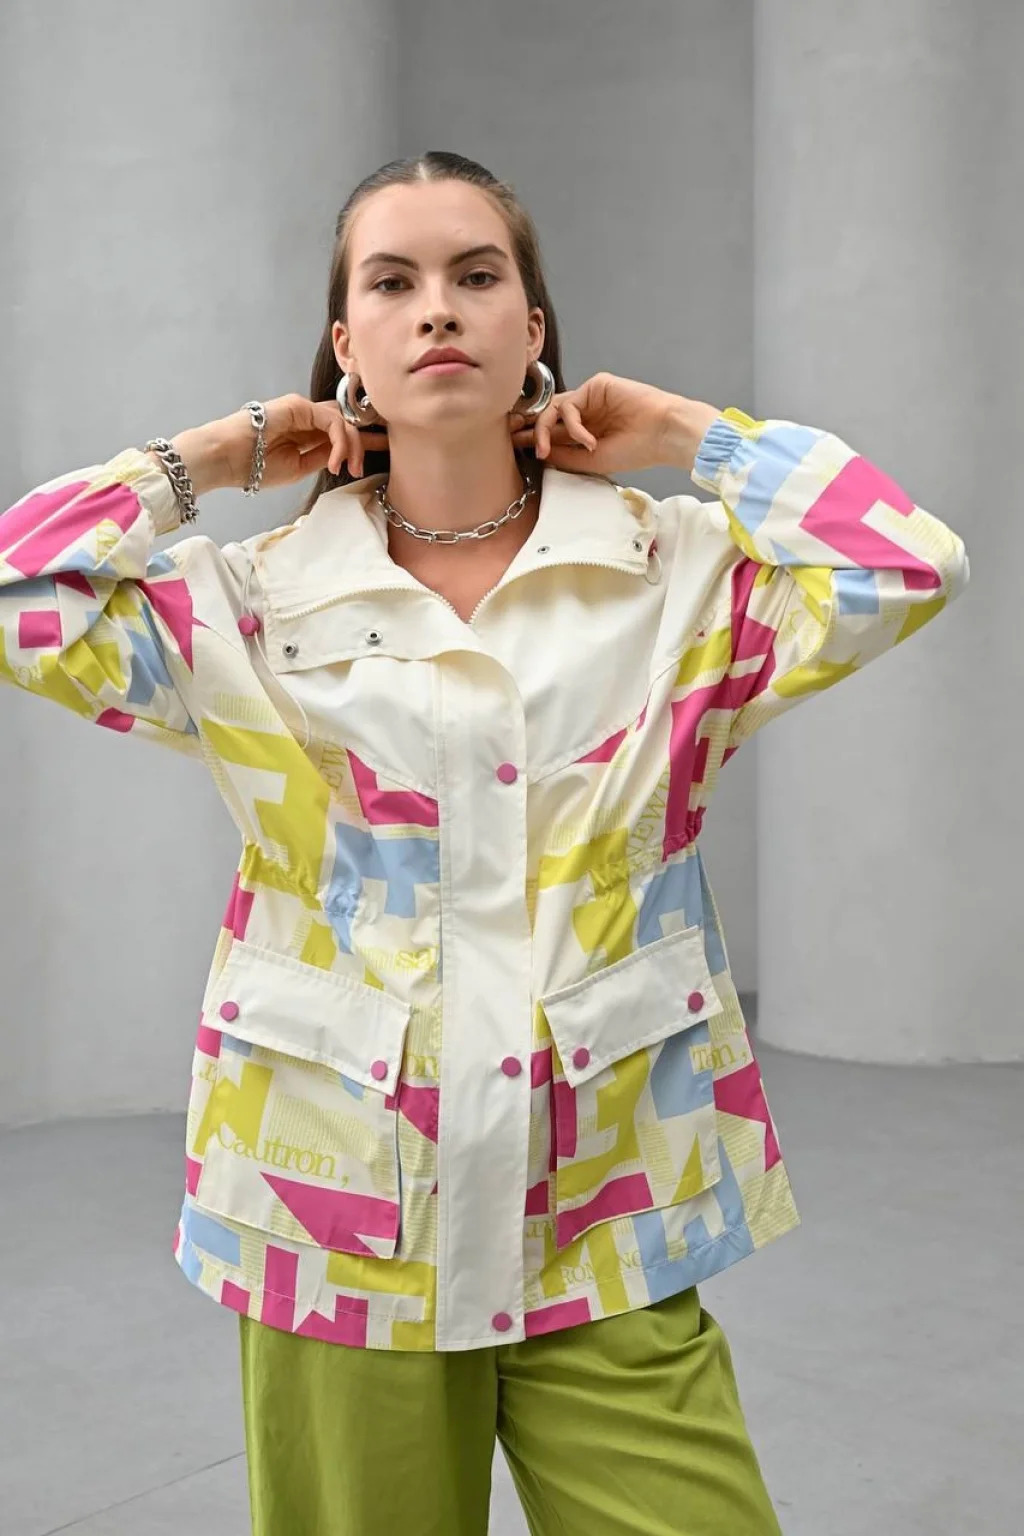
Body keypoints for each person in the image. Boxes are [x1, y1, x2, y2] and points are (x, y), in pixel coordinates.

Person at [0, 150, 970, 1535]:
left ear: (534, 327)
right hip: (335, 1220)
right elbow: (15, 594)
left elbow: (911, 562)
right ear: (348, 347)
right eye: (392, 284)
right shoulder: (247, 605)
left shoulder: (673, 576)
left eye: (476, 275)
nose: (437, 309)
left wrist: (687, 432)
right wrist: (209, 460)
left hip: (607, 1212)